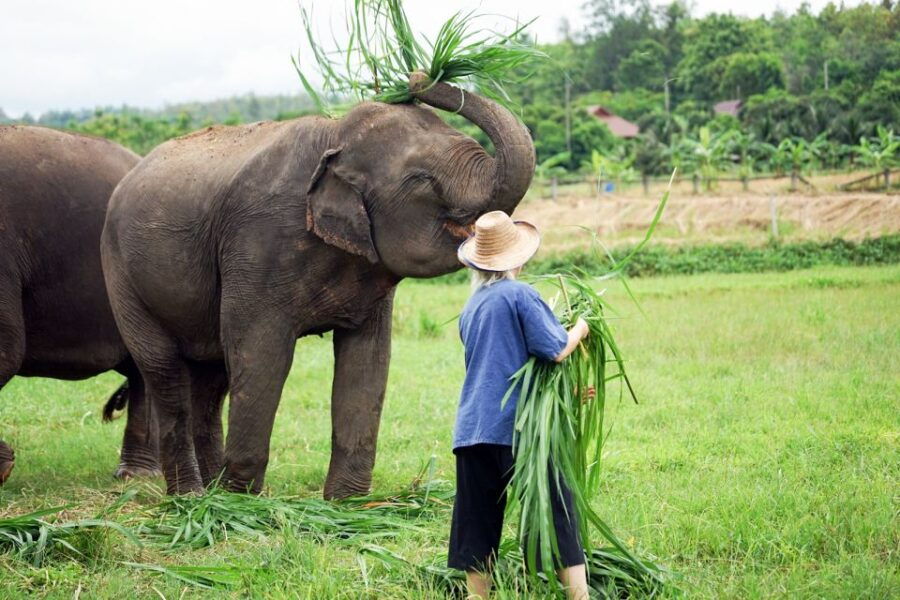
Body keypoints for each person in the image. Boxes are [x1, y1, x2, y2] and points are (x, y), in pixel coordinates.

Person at [448, 210, 590, 600]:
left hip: (472, 430)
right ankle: (580, 596)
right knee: (558, 508)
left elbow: (507, 362)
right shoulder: (520, 294)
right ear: (518, 259)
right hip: (519, 428)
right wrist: (580, 328)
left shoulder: (471, 309)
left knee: (477, 521)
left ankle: (478, 597)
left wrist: (572, 395)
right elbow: (556, 349)